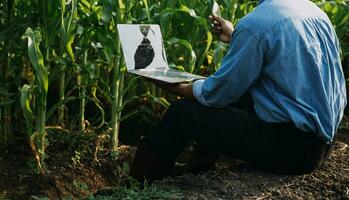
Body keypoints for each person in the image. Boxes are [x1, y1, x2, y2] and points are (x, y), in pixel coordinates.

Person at [130, 0, 347, 183]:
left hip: (291, 150)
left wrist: (173, 86)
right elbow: (287, 55)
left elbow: (217, 94)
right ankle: (197, 173)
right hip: (322, 142)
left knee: (182, 113)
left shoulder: (256, 24)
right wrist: (236, 36)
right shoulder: (310, 10)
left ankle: (140, 184)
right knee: (236, 97)